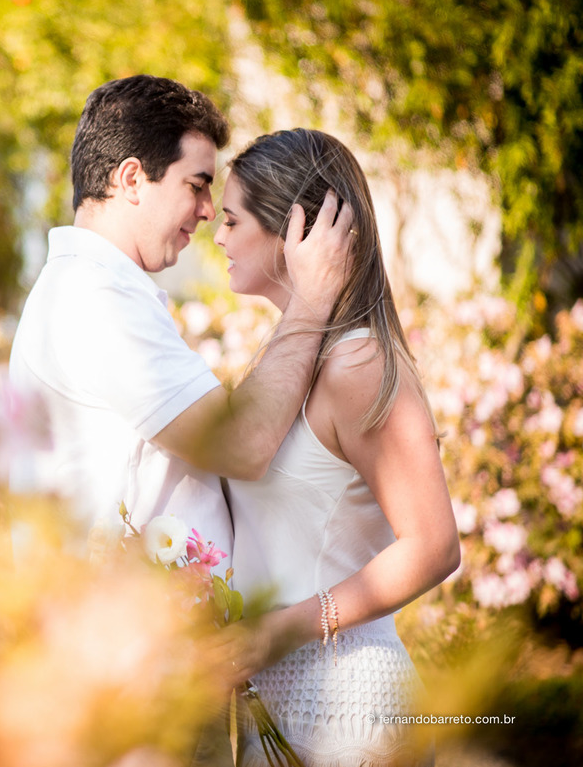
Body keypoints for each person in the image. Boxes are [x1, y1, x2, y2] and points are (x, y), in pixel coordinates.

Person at [8, 74, 354, 562]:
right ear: (131, 179)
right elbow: (241, 443)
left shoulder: (89, 290)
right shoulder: (96, 300)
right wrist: (313, 303)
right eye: (196, 186)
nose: (209, 210)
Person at [212, 129, 461, 766]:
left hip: (351, 709)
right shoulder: (293, 358)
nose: (217, 237)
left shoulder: (359, 364)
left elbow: (434, 546)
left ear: (295, 227)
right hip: (278, 701)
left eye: (231, 219)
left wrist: (278, 631)